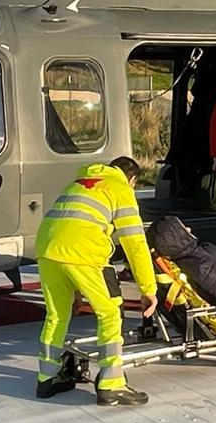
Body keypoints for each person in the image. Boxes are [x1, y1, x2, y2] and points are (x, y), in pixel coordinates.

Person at [33, 156, 158, 406]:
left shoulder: (79, 182)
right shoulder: (120, 188)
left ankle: (46, 379)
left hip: (47, 249)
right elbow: (135, 243)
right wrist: (148, 289)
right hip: (85, 253)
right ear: (131, 180)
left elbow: (70, 227)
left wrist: (74, 288)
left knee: (56, 316)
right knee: (110, 313)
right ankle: (112, 385)